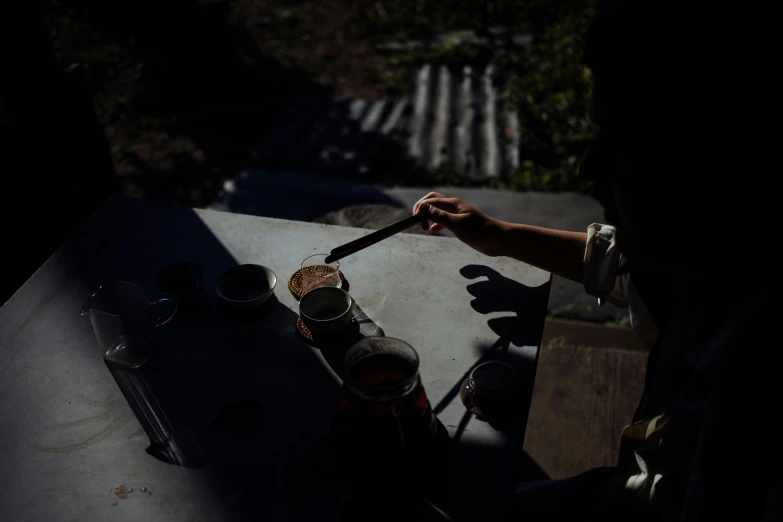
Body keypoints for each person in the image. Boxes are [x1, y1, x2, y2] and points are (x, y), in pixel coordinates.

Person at [414, 2, 780, 520]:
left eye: (630, 141)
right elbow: (637, 268)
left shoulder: (756, 431)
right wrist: (498, 235)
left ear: (727, 165)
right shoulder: (720, 264)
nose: (591, 166)